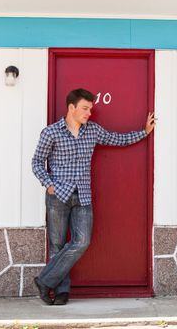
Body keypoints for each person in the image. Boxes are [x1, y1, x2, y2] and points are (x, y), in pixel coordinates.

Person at [31, 88, 155, 305]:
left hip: (83, 197)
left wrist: (143, 132)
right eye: (85, 108)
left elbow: (116, 139)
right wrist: (49, 184)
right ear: (72, 108)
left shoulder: (93, 131)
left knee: (81, 241)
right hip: (58, 195)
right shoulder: (51, 132)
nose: (89, 113)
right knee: (57, 244)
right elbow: (36, 163)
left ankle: (44, 281)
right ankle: (61, 291)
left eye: (90, 109)